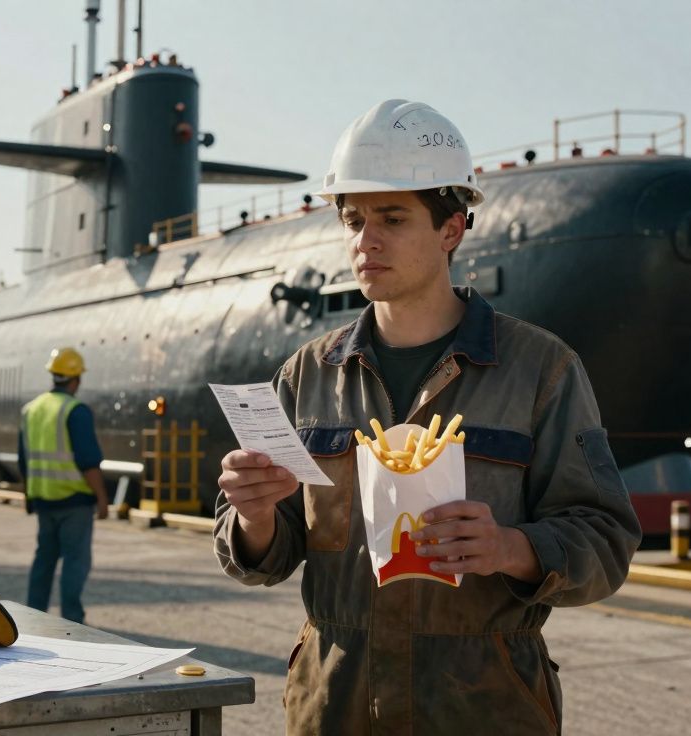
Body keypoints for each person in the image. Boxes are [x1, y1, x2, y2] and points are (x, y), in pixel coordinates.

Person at [213, 100, 642, 733]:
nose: (366, 240)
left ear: (452, 229)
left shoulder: (540, 370)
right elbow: (265, 553)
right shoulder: (307, 375)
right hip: (337, 707)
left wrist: (509, 547)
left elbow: (605, 541)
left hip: (485, 708)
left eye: (392, 217)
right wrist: (252, 515)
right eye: (353, 219)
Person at [20, 347, 109, 624]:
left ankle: (33, 617)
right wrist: (102, 499)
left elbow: (24, 460)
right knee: (75, 563)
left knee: (43, 562)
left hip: (44, 501)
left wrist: (28, 495)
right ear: (76, 379)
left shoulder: (31, 409)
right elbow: (88, 461)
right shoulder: (75, 410)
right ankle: (71, 621)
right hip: (75, 503)